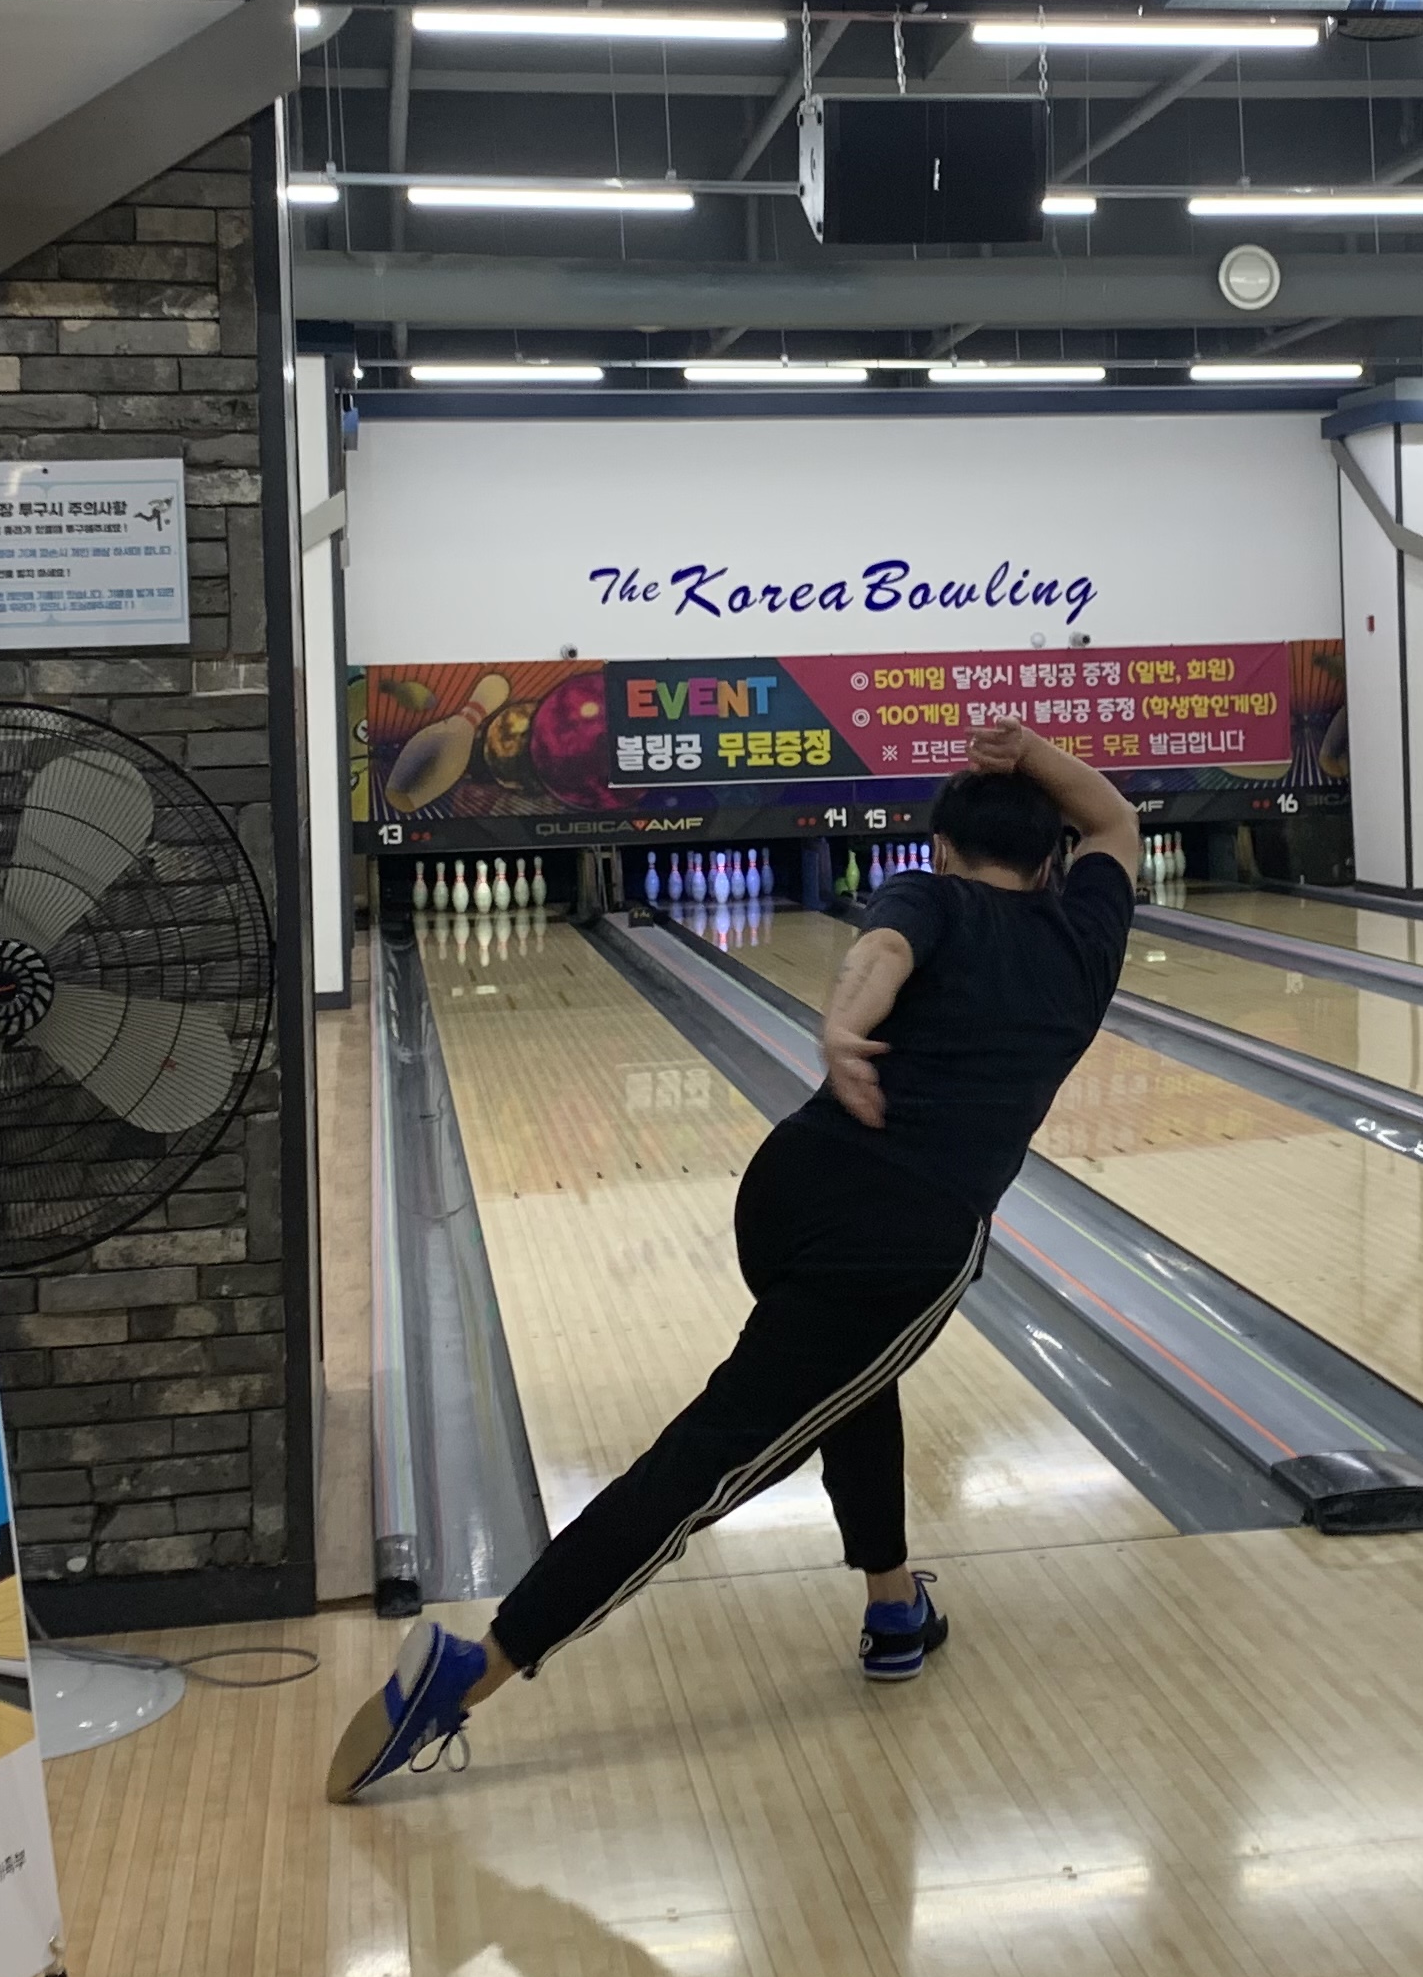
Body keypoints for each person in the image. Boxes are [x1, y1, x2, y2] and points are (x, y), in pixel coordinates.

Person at [328, 716, 1146, 1801]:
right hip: (902, 1245)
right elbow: (1114, 817)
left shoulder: (928, 895)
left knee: (850, 1379)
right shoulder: (1084, 940)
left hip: (790, 1186)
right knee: (710, 1460)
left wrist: (841, 1030)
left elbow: (881, 954)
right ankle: (473, 1670)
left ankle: (895, 1606)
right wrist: (1031, 751)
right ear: (1052, 862)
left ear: (942, 849)